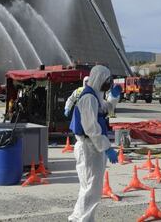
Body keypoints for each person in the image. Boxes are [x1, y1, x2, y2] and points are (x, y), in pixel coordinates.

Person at [68, 65, 118, 222]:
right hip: (89, 146)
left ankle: (78, 218)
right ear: (99, 79)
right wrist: (107, 147)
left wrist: (113, 98)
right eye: (107, 80)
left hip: (92, 147)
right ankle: (82, 219)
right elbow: (91, 128)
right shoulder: (88, 98)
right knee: (92, 189)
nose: (108, 83)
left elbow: (106, 109)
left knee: (88, 187)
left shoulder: (95, 96)